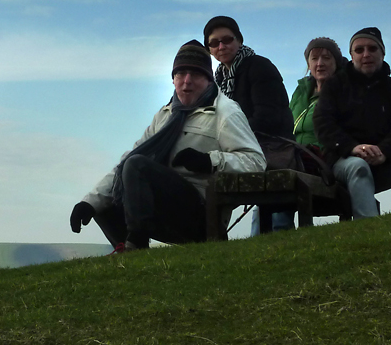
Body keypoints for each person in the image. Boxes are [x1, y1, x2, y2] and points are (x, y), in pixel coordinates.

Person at [69, 40, 266, 251]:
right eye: (181, 74)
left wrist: (210, 160)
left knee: (137, 165)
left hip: (201, 212)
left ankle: (136, 242)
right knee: (106, 198)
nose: (187, 81)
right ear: (173, 80)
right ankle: (129, 256)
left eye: (196, 74)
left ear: (209, 80)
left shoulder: (225, 112)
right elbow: (127, 161)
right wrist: (89, 202)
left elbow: (256, 162)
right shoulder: (165, 115)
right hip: (161, 208)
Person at [313, 27, 391, 218]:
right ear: (351, 55)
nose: (366, 54)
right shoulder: (334, 86)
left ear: (382, 53)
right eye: (359, 50)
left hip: (385, 159)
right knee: (358, 166)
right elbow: (323, 125)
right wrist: (353, 148)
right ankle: (369, 227)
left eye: (372, 49)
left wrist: (384, 151)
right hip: (344, 161)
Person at [201, 16, 294, 235]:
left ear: (239, 40)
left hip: (272, 146)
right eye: (214, 43)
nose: (221, 46)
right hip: (240, 146)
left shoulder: (259, 66)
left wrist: (233, 139)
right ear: (210, 49)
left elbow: (269, 115)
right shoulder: (219, 78)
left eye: (227, 39)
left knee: (276, 213)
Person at [266, 37, 346, 231]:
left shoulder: (343, 91)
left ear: (336, 62)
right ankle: (261, 243)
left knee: (279, 181)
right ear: (308, 64)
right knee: (266, 179)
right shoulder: (300, 93)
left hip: (322, 160)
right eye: (314, 58)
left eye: (326, 58)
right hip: (294, 157)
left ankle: (280, 237)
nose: (320, 63)